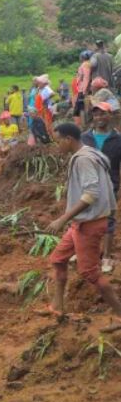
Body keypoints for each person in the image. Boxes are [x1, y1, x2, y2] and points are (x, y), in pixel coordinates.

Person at [47, 123, 121, 331]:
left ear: (68, 139)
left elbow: (91, 194)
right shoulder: (90, 153)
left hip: (89, 223)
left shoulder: (84, 160)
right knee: (58, 259)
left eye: (58, 140)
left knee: (90, 273)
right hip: (81, 222)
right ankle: (57, 306)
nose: (57, 146)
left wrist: (63, 219)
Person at [81, 103, 121, 273]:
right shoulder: (85, 138)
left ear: (110, 116)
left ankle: (106, 256)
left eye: (103, 114)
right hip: (87, 185)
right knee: (86, 217)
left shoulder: (118, 140)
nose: (99, 118)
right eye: (96, 115)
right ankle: (86, 252)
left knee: (108, 220)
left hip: (110, 185)